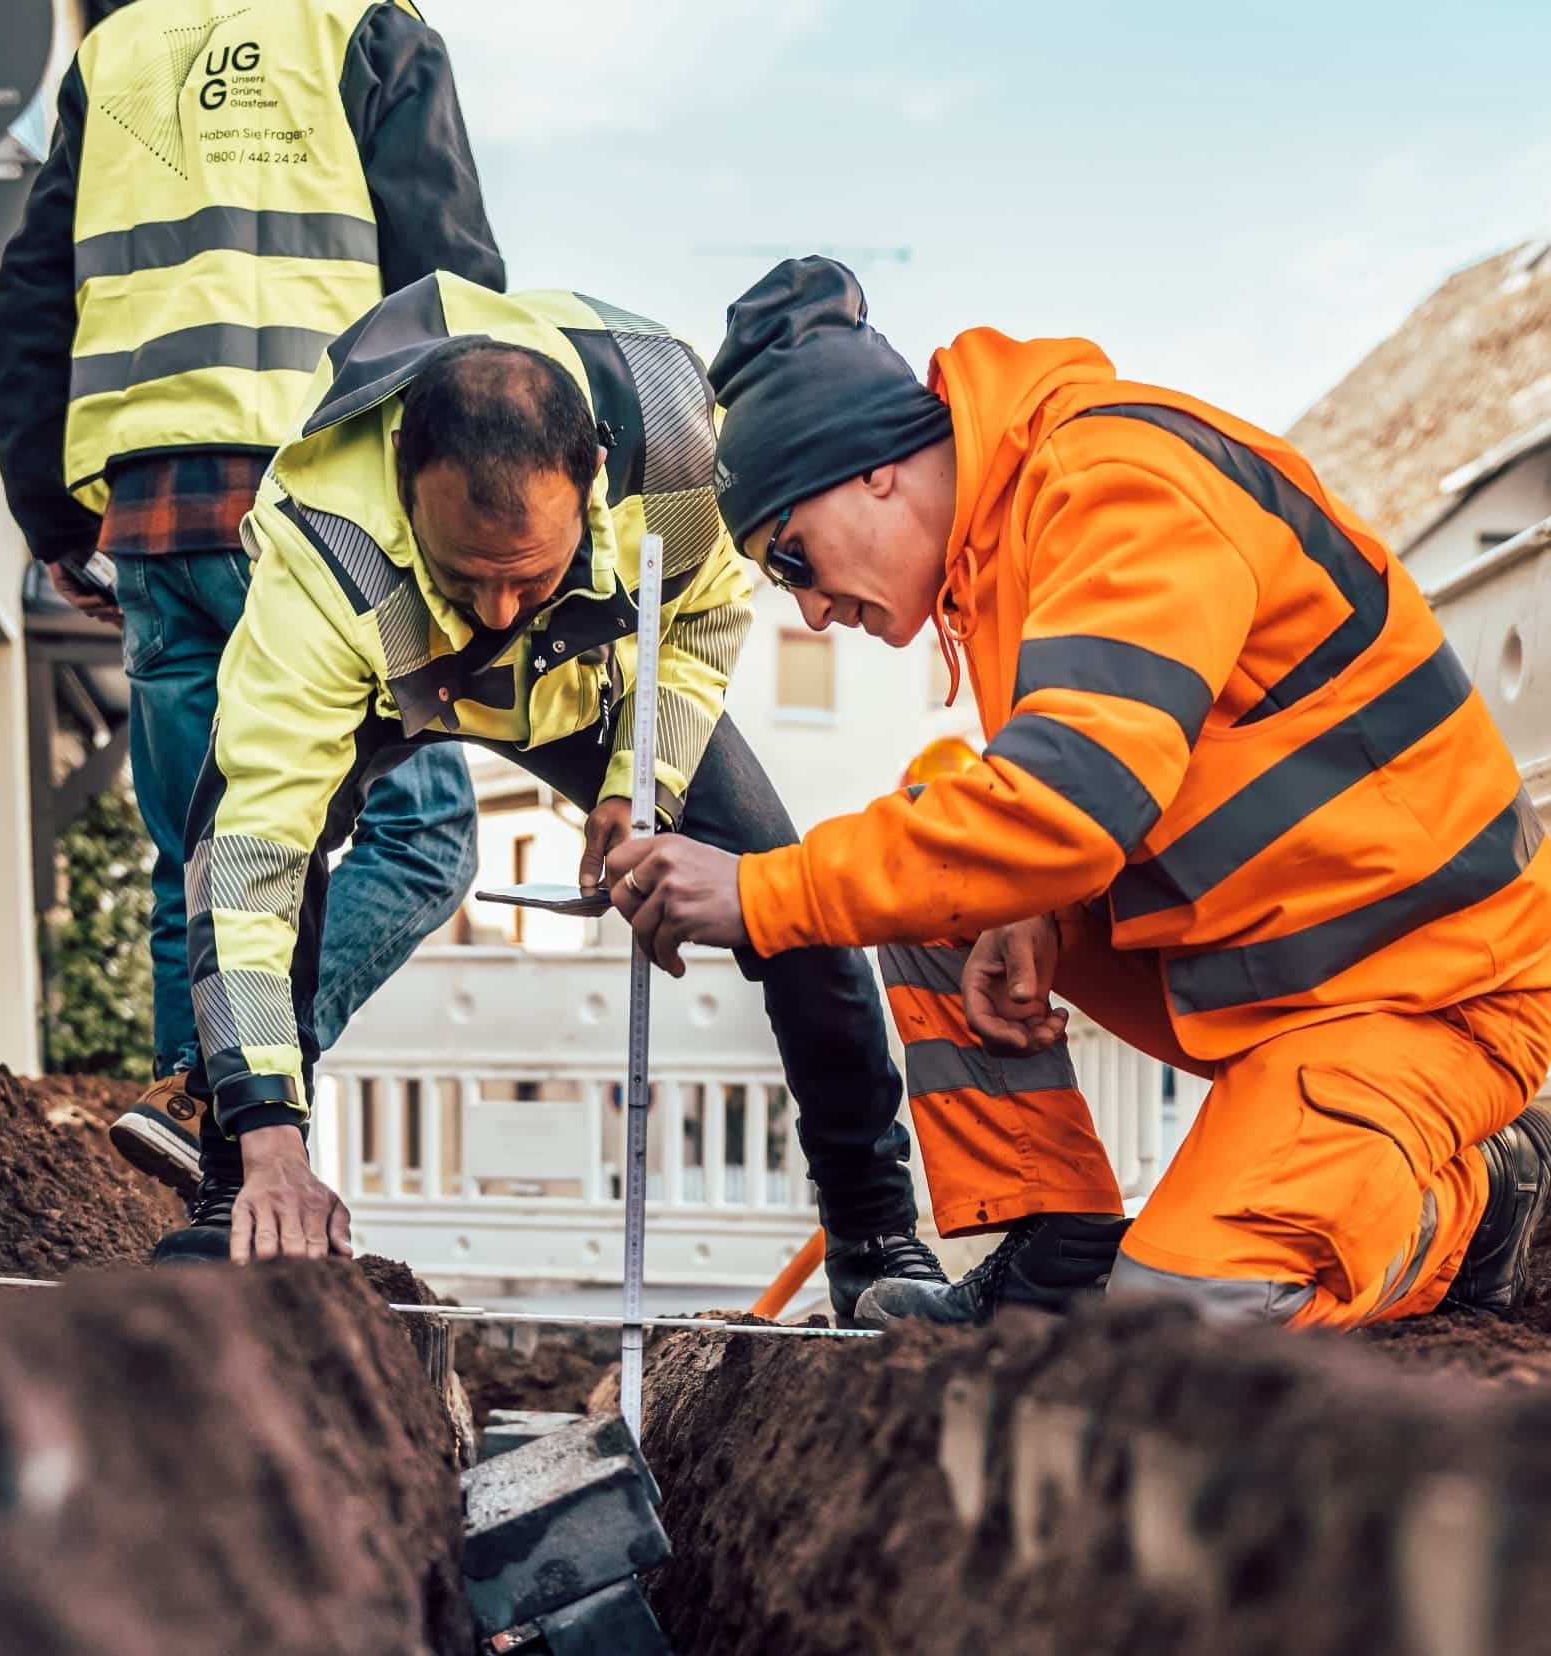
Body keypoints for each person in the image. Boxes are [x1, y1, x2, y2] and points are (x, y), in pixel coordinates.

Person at [605, 255, 1551, 1332]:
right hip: (1297, 963)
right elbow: (1117, 773)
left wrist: (760, 893)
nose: (812, 611)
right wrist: (1039, 909)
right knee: (939, 885)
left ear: (871, 470)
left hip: (1427, 987)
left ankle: (1484, 1202)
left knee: (1190, 1311)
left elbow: (1072, 803)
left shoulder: (1118, 485)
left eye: (792, 558)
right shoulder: (1007, 543)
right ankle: (1054, 1254)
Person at [153, 270, 944, 1321]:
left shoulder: (685, 452)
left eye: (527, 571)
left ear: (598, 480)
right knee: (260, 862)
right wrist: (268, 1136)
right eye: (466, 573)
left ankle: (876, 1236)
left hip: (602, 685)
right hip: (392, 677)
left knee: (791, 901)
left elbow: (705, 617)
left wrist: (640, 779)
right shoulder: (321, 551)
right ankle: (238, 1195)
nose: (497, 608)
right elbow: (258, 858)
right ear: (404, 478)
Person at [0, 0, 504, 1195]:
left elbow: (30, 294)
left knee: (201, 853)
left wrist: (54, 515)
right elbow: (456, 288)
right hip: (325, 509)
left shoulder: (113, 50)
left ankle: (219, 1188)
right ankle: (230, 1090)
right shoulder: (363, 25)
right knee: (422, 834)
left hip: (157, 516)